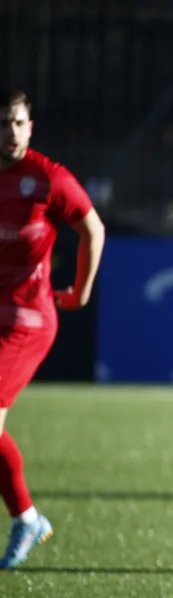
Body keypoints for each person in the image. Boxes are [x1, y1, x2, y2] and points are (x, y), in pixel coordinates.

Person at [0, 88, 106, 571]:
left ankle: (26, 518)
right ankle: (26, 518)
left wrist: (81, 291)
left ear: (31, 126)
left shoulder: (46, 178)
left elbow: (93, 228)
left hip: (27, 321)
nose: (12, 132)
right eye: (4, 123)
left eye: (19, 123)